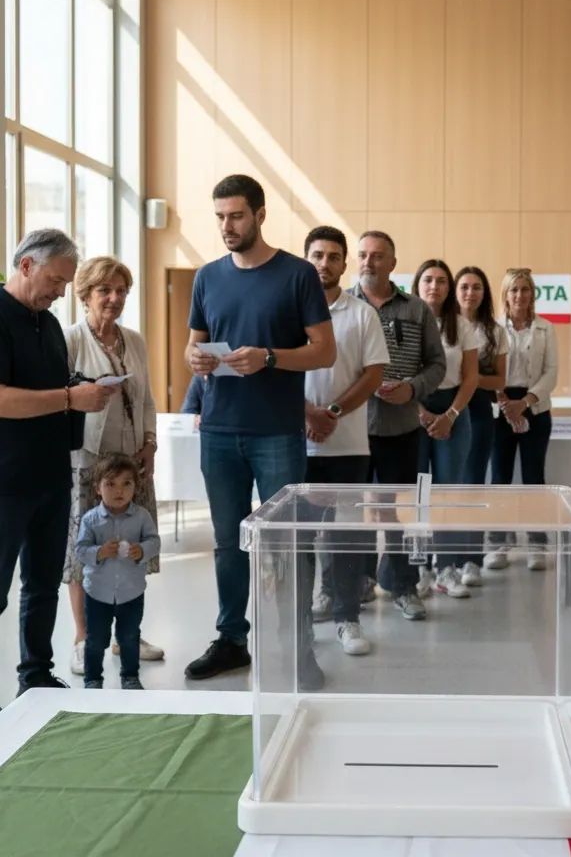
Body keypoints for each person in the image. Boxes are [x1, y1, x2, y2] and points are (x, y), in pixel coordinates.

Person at [0, 229, 116, 736]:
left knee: (43, 583)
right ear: (25, 266)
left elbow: (50, 390)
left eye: (67, 283)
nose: (60, 291)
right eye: (55, 280)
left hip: (48, 474)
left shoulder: (46, 325)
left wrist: (82, 390)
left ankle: (36, 676)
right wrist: (71, 400)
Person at [184, 174, 335, 685]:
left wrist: (269, 357)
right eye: (221, 217)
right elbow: (194, 345)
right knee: (228, 543)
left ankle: (297, 650)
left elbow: (324, 351)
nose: (227, 226)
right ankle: (231, 639)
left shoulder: (297, 276)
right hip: (219, 431)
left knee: (287, 543)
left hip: (277, 433)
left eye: (237, 216)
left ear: (260, 215)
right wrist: (195, 359)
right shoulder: (206, 277)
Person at [63, 256, 164, 678]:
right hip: (88, 463)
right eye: (105, 290)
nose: (114, 298)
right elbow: (61, 397)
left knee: (131, 545)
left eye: (121, 290)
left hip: (130, 463)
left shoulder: (134, 341)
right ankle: (85, 638)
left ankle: (127, 634)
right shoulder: (70, 339)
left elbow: (145, 399)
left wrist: (150, 444)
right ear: (85, 295)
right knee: (87, 549)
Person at [348, 230, 446, 621]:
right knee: (351, 511)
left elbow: (438, 364)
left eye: (377, 256)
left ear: (392, 262)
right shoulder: (338, 305)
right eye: (363, 255)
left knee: (391, 511)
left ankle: (402, 585)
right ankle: (352, 584)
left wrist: (412, 389)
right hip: (349, 429)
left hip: (400, 427)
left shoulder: (417, 309)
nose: (368, 262)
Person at [302, 225, 389, 656]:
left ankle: (348, 618)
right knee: (298, 538)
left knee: (349, 537)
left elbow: (373, 374)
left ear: (344, 263)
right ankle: (299, 622)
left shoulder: (362, 314)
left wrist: (331, 414)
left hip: (349, 444)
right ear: (306, 259)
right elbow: (276, 368)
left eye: (333, 256)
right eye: (317, 255)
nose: (324, 263)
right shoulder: (288, 313)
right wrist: (307, 415)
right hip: (295, 443)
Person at [413, 259, 479, 598]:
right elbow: (395, 371)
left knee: (448, 493)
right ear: (418, 283)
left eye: (441, 281)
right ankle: (419, 567)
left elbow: (471, 377)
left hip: (454, 409)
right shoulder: (407, 318)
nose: (434, 286)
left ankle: (446, 568)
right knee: (419, 494)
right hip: (413, 408)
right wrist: (421, 413)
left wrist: (450, 415)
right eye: (428, 280)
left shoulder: (462, 325)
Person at [486, 268, 557, 572]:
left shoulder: (545, 328)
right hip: (499, 408)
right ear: (505, 294)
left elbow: (551, 372)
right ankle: (500, 542)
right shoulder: (493, 328)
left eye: (525, 289)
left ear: (532, 294)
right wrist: (504, 403)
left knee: (533, 479)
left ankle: (537, 543)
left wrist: (525, 403)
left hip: (535, 407)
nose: (519, 295)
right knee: (500, 478)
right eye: (513, 290)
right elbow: (487, 368)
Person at [74, 454, 161, 690]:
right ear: (98, 488)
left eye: (126, 483)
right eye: (110, 484)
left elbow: (154, 542)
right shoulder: (91, 520)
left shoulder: (142, 516)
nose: (118, 490)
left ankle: (130, 676)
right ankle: (93, 679)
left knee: (129, 637)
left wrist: (141, 550)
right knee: (96, 640)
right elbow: (80, 550)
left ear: (135, 487)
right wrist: (99, 552)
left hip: (131, 592)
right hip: (97, 593)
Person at [456, 264, 509, 585]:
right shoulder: (443, 325)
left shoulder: (495, 331)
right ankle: (440, 558)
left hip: (477, 410)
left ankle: (471, 559)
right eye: (464, 286)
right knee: (444, 486)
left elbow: (500, 379)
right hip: (445, 407)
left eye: (476, 287)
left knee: (472, 484)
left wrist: (469, 380)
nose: (469, 293)